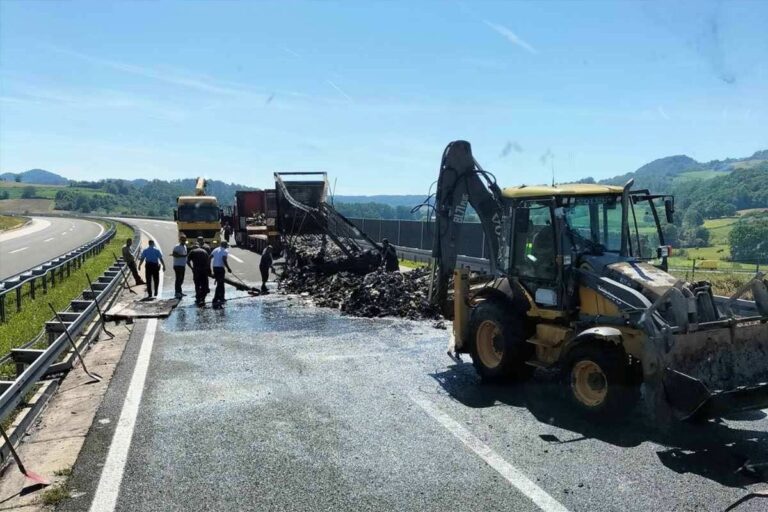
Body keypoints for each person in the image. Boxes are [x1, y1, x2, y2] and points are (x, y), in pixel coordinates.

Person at [187, 238, 211, 306]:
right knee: (204, 285)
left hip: (196, 271)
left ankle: (198, 297)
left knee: (197, 284)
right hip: (204, 271)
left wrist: (191, 268)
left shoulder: (192, 251)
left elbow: (187, 261)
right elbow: (208, 261)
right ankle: (202, 298)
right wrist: (209, 270)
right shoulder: (204, 251)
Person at [210, 240, 232, 306]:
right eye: (226, 245)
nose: (226, 247)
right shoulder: (225, 251)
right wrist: (228, 268)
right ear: (225, 245)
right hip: (220, 268)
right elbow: (224, 259)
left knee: (220, 283)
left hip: (215, 268)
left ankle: (221, 297)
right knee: (220, 283)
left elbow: (209, 257)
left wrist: (208, 267)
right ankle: (216, 298)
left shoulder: (215, 249)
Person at [171, 234, 188, 299]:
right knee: (178, 279)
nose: (183, 241)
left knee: (181, 279)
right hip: (177, 265)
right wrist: (183, 256)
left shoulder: (185, 246)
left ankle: (180, 291)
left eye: (184, 240)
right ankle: (177, 292)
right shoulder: (177, 246)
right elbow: (174, 254)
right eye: (182, 240)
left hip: (182, 265)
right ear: (180, 240)